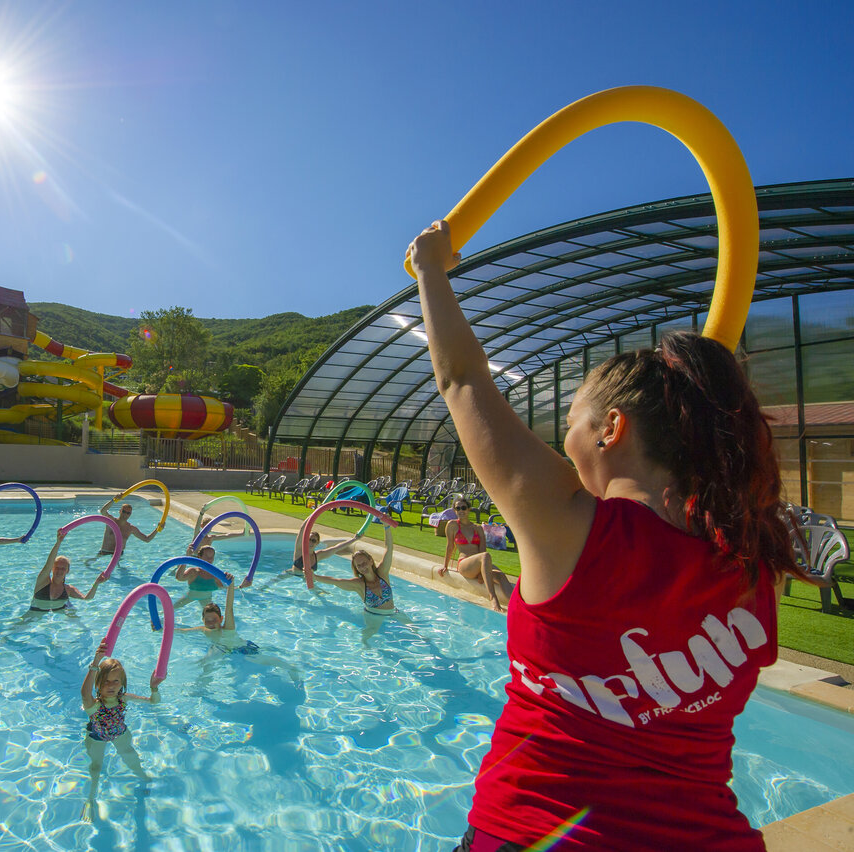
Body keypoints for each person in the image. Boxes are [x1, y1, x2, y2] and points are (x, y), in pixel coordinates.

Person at [410, 221, 802, 851]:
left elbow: (460, 380)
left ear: (610, 429)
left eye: (572, 421)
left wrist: (429, 267)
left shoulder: (569, 526)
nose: (563, 438)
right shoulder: (750, 562)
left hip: (536, 834)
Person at [81, 643, 160, 820]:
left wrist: (154, 687)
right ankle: (91, 799)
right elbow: (85, 694)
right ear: (98, 684)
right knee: (96, 767)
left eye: (116, 681)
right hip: (97, 736)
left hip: (120, 733)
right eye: (106, 681)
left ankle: (144, 778)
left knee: (130, 755)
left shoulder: (123, 698)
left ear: (122, 683)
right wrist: (95, 662)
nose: (111, 685)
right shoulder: (94, 705)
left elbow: (153, 702)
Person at [180, 576, 299, 677]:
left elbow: (229, 607)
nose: (211, 623)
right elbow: (183, 631)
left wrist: (230, 585)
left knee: (261, 660)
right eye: (207, 620)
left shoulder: (227, 628)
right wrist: (162, 630)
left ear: (221, 619)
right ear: (202, 620)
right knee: (204, 663)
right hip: (223, 649)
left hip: (242, 649)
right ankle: (201, 687)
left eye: (214, 620)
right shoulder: (203, 629)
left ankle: (291, 668)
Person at [438, 497, 515, 612]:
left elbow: (482, 550)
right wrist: (445, 565)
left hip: (480, 564)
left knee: (501, 576)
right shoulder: (452, 525)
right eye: (457, 508)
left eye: (463, 508)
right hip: (465, 564)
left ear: (469, 509)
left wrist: (482, 573)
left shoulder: (478, 528)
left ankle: (516, 605)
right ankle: (493, 598)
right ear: (454, 511)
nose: (460, 510)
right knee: (485, 556)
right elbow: (450, 547)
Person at [309, 523, 398, 615]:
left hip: (394, 613)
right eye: (359, 566)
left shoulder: (382, 573)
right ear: (356, 569)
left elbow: (389, 549)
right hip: (373, 617)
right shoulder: (359, 584)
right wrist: (315, 577)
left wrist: (387, 527)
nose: (363, 567)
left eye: (364, 563)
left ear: (371, 561)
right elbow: (336, 581)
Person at [29, 528, 104, 614]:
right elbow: (48, 564)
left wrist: (97, 583)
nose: (59, 571)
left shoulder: (69, 589)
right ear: (52, 569)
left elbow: (87, 598)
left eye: (63, 568)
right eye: (57, 567)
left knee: (75, 617)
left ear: (67, 571)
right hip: (35, 615)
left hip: (59, 617)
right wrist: (58, 542)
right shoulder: (42, 582)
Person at [86, 494, 159, 565]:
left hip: (118, 555)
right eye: (124, 511)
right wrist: (114, 500)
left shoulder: (131, 528)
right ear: (120, 511)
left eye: (128, 513)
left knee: (119, 569)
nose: (125, 514)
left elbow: (147, 539)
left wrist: (158, 529)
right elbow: (103, 511)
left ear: (130, 514)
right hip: (104, 552)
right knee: (88, 564)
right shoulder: (111, 521)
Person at [173, 543, 227, 609]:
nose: (209, 559)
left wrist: (239, 586)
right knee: (172, 609)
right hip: (190, 596)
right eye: (207, 556)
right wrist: (187, 557)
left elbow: (224, 588)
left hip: (206, 599)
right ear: (199, 557)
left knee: (210, 614)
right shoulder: (194, 572)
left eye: (211, 557)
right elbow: (179, 577)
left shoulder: (215, 574)